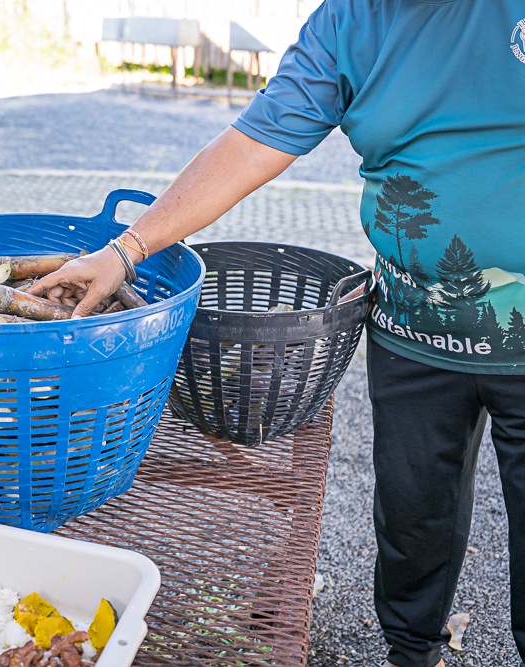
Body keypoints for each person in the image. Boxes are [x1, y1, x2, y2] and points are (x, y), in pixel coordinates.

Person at [30, 2, 525, 666]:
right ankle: (415, 652)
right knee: (412, 519)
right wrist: (123, 251)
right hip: (413, 332)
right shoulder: (351, 21)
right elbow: (247, 145)